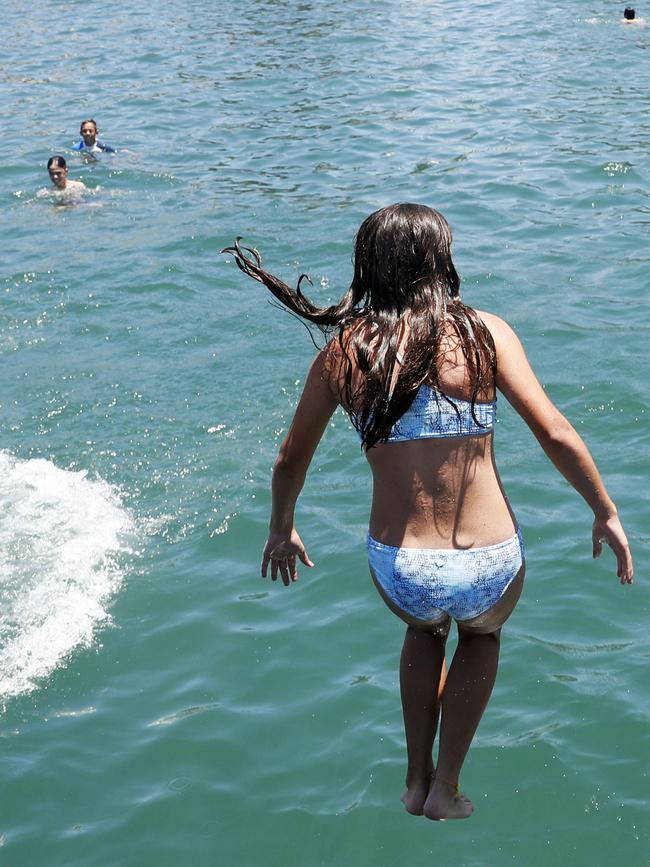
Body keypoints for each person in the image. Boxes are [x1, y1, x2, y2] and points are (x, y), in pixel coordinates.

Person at [222, 203, 634, 821]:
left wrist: (281, 529)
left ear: (369, 266)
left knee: (424, 632)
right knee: (481, 637)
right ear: (441, 262)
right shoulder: (485, 334)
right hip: (490, 561)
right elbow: (553, 431)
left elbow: (288, 460)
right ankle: (447, 784)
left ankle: (414, 778)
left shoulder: (346, 352)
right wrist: (604, 510)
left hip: (401, 567)